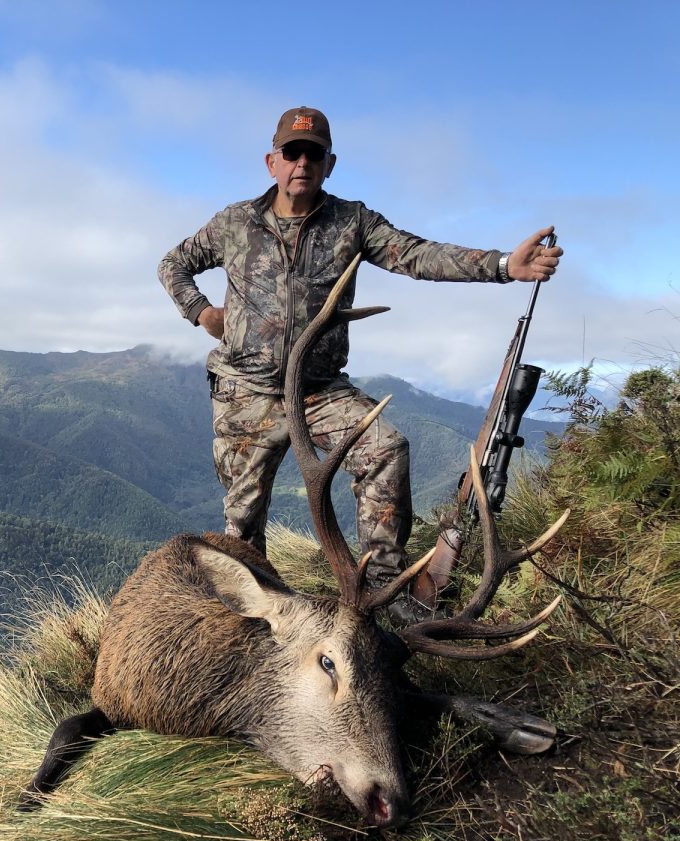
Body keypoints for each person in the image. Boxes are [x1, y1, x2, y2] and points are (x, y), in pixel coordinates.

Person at [158, 106, 563, 623]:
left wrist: (505, 267)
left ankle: (380, 607)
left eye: (314, 153)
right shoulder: (234, 223)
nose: (302, 162)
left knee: (386, 449)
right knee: (242, 525)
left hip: (320, 391)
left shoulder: (352, 221)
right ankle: (250, 629)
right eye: (292, 152)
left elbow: (417, 255)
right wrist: (202, 313)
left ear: (329, 164)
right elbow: (173, 264)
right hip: (245, 392)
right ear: (271, 162)